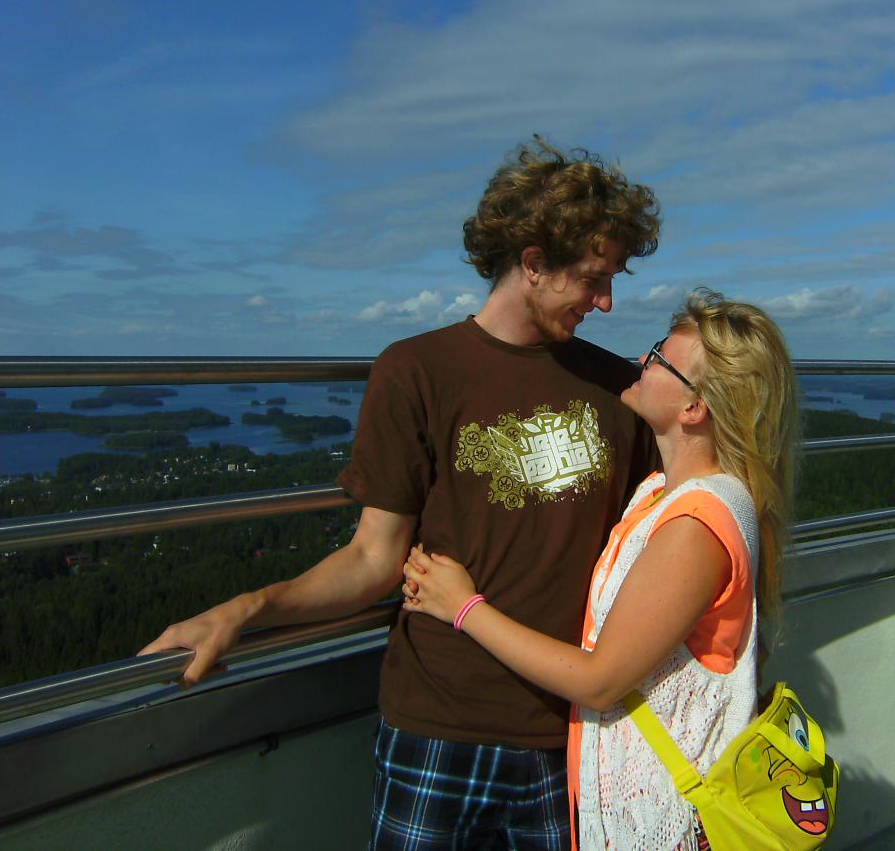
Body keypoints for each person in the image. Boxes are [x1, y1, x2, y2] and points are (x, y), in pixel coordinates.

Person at [139, 137, 662, 850]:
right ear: (534, 263)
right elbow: (373, 559)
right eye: (593, 279)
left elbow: (656, 542)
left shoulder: (616, 389)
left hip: (572, 733)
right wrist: (246, 610)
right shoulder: (417, 371)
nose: (606, 302)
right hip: (435, 728)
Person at [401, 289, 798, 849]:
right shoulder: (664, 492)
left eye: (659, 358)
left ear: (694, 408)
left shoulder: (697, 525)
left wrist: (462, 606)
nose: (641, 360)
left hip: (665, 817)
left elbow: (601, 680)